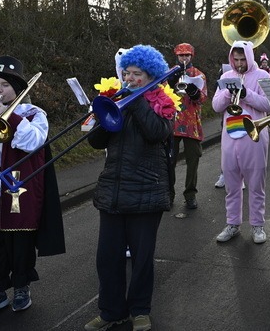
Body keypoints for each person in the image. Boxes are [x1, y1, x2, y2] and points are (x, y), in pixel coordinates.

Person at [84, 45, 179, 331]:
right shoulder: (118, 99)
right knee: (107, 258)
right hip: (113, 189)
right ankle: (111, 311)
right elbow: (96, 142)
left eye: (137, 74)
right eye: (127, 73)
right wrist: (103, 113)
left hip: (146, 191)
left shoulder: (164, 103)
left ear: (151, 76)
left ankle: (140, 310)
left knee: (141, 259)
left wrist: (135, 100)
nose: (130, 79)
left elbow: (157, 132)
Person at [0, 55, 65, 318]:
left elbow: (34, 143)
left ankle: (21, 287)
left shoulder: (34, 113)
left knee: (19, 242)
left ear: (17, 88)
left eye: (4, 85)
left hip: (18, 185)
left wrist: (11, 118)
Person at [212, 40, 270, 244]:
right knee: (231, 183)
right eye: (235, 59)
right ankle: (233, 224)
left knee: (256, 183)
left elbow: (269, 105)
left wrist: (247, 94)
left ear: (249, 57)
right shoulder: (226, 76)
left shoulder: (263, 76)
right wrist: (229, 93)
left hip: (254, 136)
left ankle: (257, 225)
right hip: (230, 135)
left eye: (242, 59)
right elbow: (215, 106)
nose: (239, 64)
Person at [166, 43, 208, 209]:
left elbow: (203, 99)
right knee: (169, 161)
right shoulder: (170, 72)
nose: (184, 58)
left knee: (193, 160)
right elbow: (161, 95)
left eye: (187, 55)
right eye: (181, 55)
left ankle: (190, 195)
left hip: (191, 123)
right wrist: (170, 82)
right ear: (177, 56)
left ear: (192, 56)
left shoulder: (199, 74)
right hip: (172, 122)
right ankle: (168, 194)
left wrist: (193, 91)